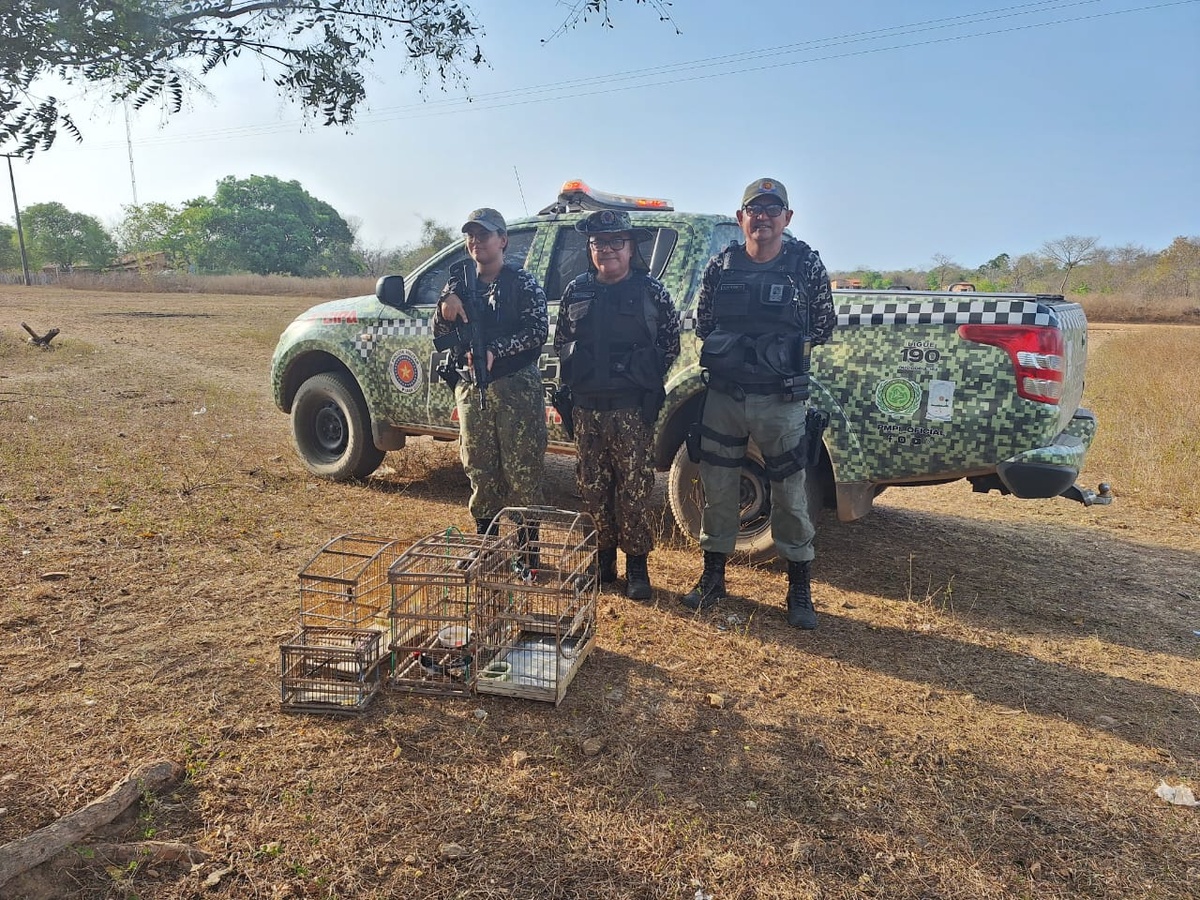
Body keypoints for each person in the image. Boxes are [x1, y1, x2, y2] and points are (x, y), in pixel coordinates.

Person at [682, 178, 836, 628]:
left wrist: (776, 347)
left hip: (780, 398)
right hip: (725, 396)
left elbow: (823, 324)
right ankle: (713, 579)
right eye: (755, 209)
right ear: (741, 217)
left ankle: (799, 588)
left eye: (773, 209)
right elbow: (703, 321)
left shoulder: (804, 264)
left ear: (787, 218)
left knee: (790, 494)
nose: (763, 217)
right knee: (718, 487)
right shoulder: (722, 264)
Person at [553, 209, 680, 600]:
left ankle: (637, 567)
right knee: (592, 488)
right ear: (590, 249)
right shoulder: (577, 289)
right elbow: (561, 342)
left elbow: (670, 345)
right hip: (587, 408)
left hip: (630, 409)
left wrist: (637, 374)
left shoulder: (650, 290)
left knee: (635, 489)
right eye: (597, 243)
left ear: (630, 247)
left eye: (615, 242)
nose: (606, 250)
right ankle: (602, 562)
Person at [434, 208, 549, 534]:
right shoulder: (457, 284)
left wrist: (495, 350)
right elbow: (439, 334)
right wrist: (446, 303)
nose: (476, 241)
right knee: (479, 469)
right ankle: (487, 547)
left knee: (523, 471)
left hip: (516, 389)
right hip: (471, 389)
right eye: (471, 235)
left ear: (502, 240)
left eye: (483, 234)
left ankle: (528, 556)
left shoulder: (522, 282)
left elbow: (537, 331)